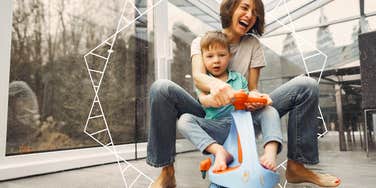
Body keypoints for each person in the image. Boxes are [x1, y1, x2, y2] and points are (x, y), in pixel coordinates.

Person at [147, 0, 341, 187]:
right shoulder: (201, 42)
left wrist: (255, 98)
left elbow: (252, 87)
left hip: (243, 114)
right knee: (161, 88)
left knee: (306, 85)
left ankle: (296, 166)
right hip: (208, 111)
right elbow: (198, 76)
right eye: (245, 7)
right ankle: (167, 173)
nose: (250, 15)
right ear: (231, 8)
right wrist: (217, 88)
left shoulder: (253, 45)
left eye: (255, 12)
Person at [177, 31, 282, 173]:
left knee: (270, 111)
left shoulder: (239, 79)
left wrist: (255, 100)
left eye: (221, 55)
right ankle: (218, 151)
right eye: (209, 56)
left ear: (229, 56)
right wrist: (214, 100)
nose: (216, 60)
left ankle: (270, 153)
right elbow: (203, 100)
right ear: (202, 58)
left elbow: (248, 96)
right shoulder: (205, 82)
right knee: (184, 120)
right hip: (216, 126)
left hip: (241, 124)